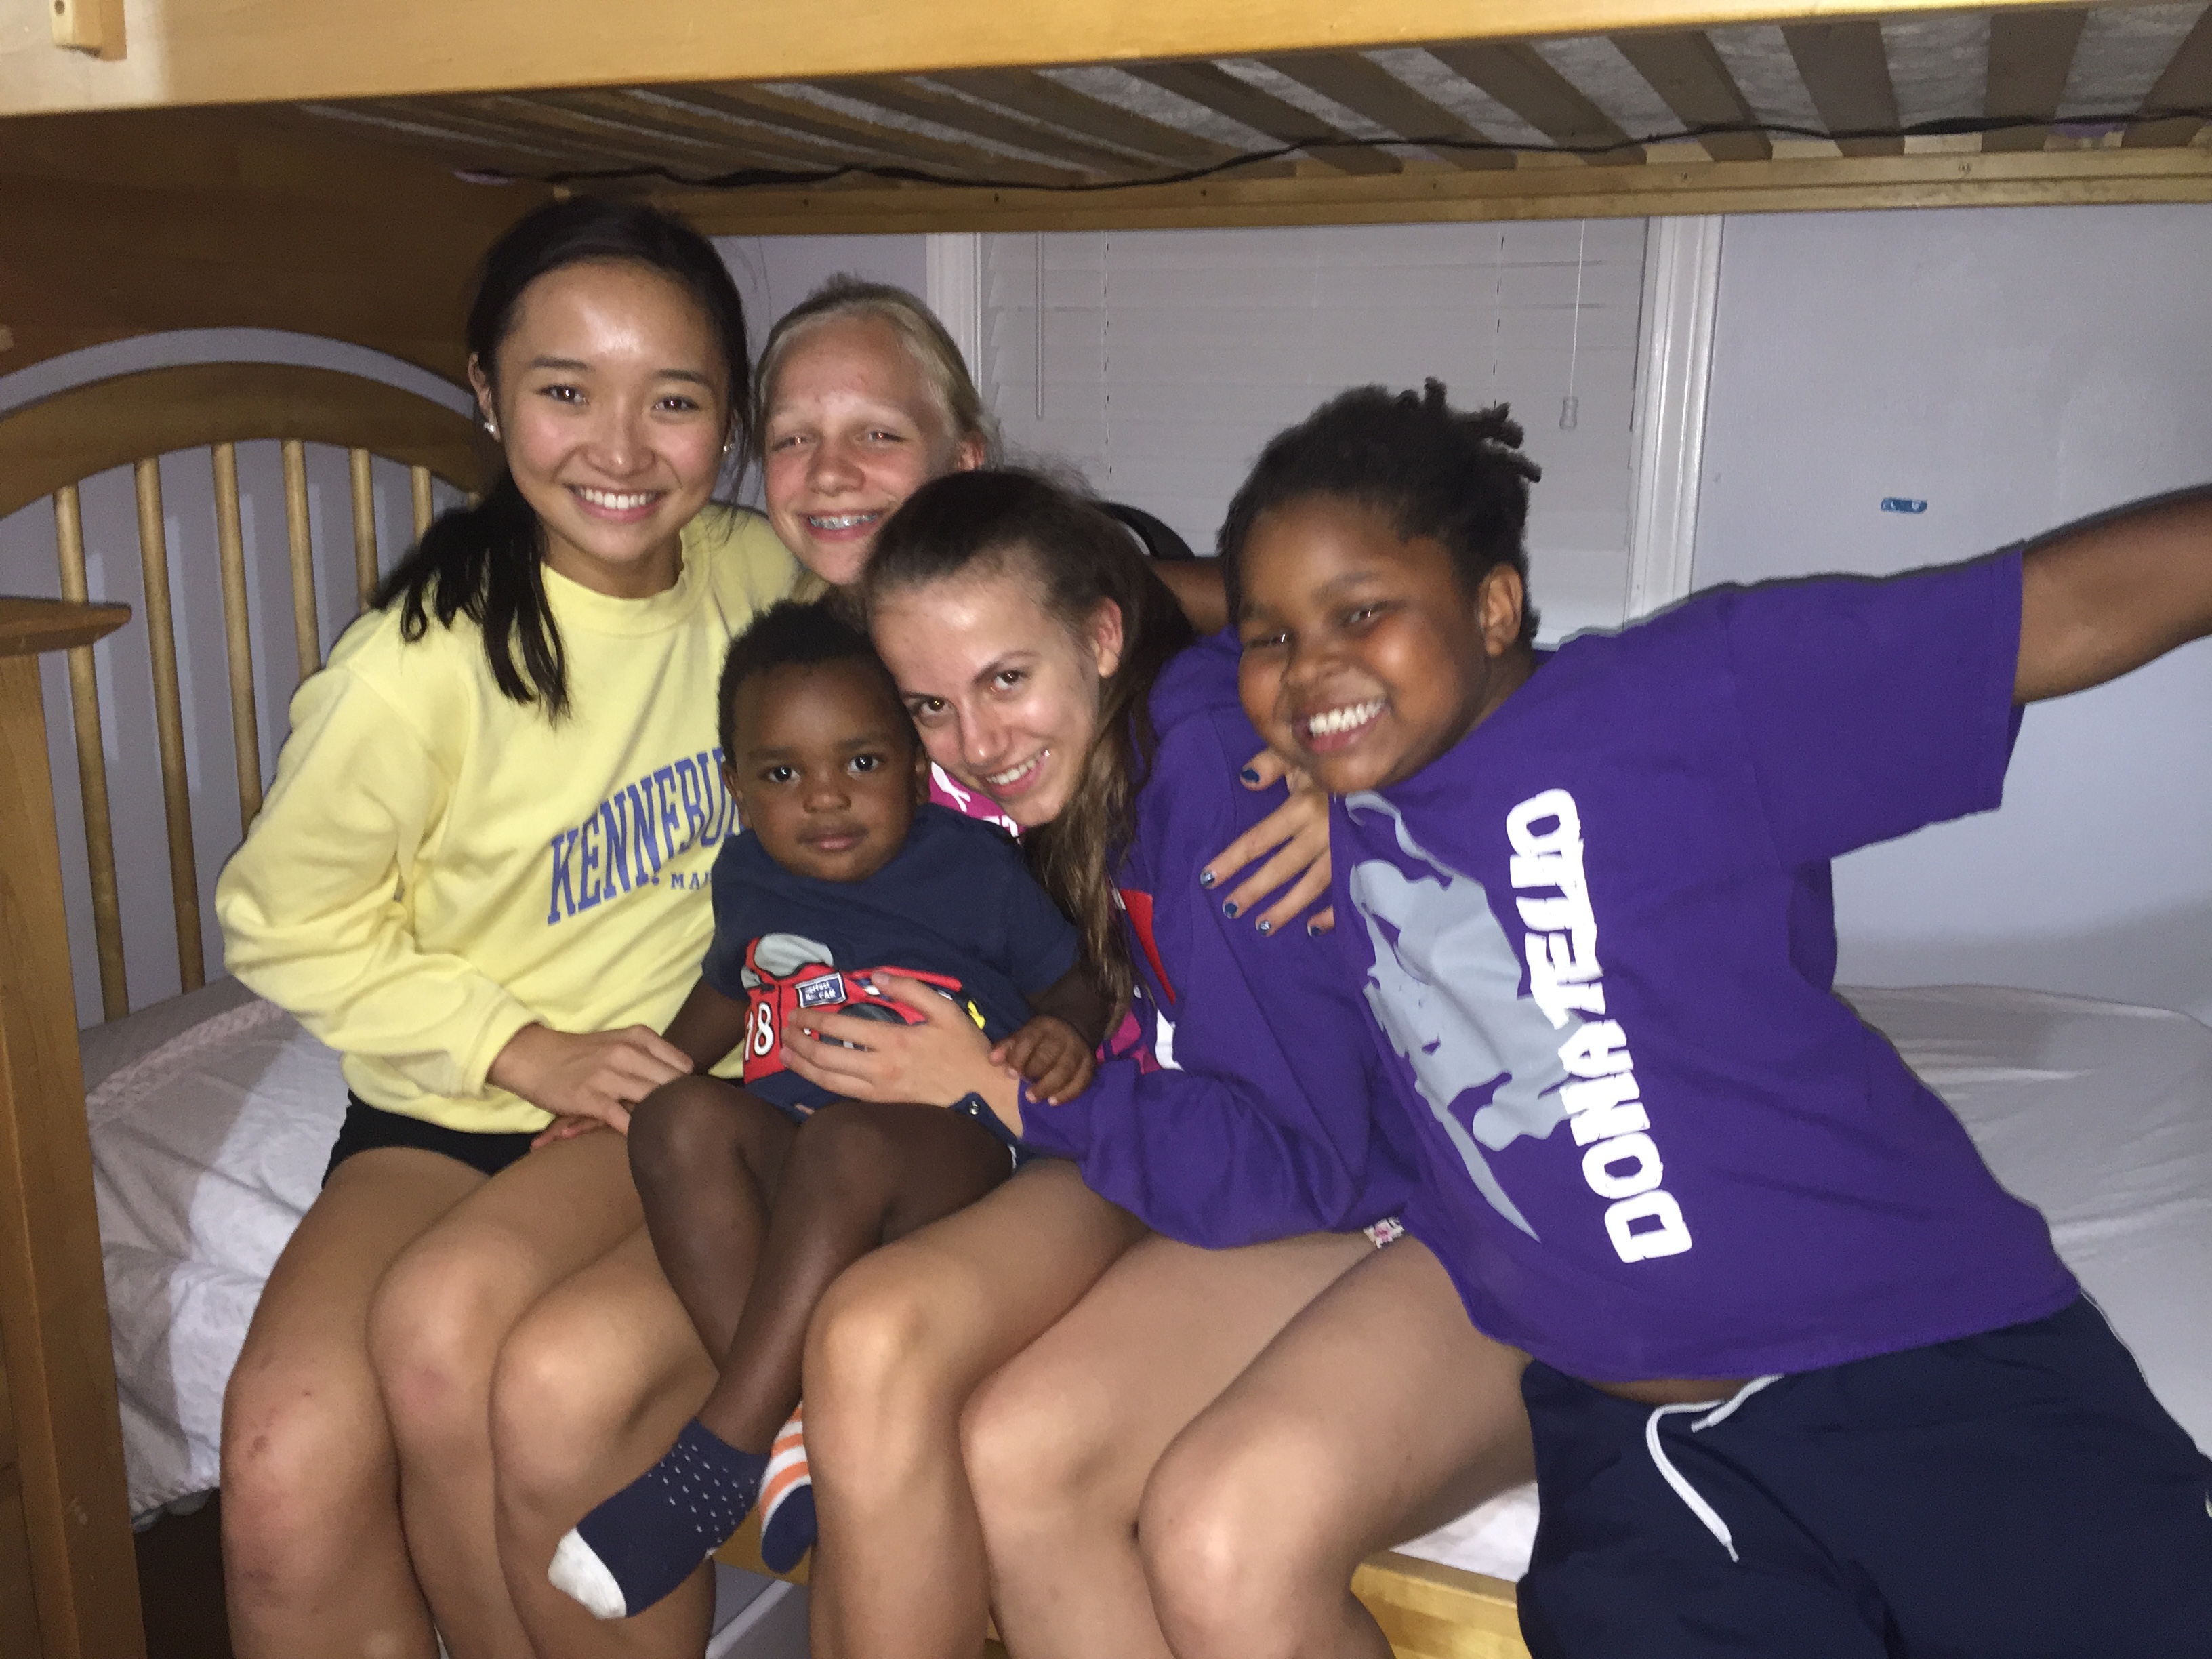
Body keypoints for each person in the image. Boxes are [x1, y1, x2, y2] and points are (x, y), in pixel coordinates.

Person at [1195, 380, 2212, 1658]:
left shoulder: (1678, 700)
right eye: (1270, 638)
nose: (1308, 669)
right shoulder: (1336, 796)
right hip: (1645, 1459)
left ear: (1494, 605)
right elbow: (1122, 604)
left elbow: (2050, 610)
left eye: (1359, 613)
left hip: (1915, 1362)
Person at [483, 277, 1343, 1658]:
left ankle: (746, 1443)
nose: (830, 473)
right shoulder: (785, 631)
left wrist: (1329, 739)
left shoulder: (1071, 626)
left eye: (876, 433)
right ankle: (774, 1446)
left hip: (1029, 1103)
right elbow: (733, 956)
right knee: (550, 1370)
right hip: (830, 1098)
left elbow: (1298, 616)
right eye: (794, 437)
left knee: (875, 1336)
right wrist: (627, 1070)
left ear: (964, 459)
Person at [756, 468, 1532, 1659]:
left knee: (1181, 1518)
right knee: (1012, 1452)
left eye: (1005, 680)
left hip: (1432, 1199)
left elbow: (1304, 1163)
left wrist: (1000, 1088)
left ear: (1103, 637)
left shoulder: (1220, 786)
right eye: (930, 707)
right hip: (1331, 1178)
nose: (976, 745)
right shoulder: (1104, 762)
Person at [214, 197, 798, 1659]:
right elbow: (281, 924)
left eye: (675, 401)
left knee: (454, 1344)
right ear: (486, 392)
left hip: (676, 1090)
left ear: (731, 420)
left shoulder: (757, 577)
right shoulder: (416, 670)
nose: (621, 449)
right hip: (451, 1106)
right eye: (565, 392)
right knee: (282, 1469)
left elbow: (1000, 598)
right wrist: (522, 1047)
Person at [544, 600, 1107, 1620]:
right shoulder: (749, 876)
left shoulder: (967, 870)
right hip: (804, 1150)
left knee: (845, 1140)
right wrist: (641, 1078)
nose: (827, 799)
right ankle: (790, 1440)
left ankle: (723, 1452)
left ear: (916, 766)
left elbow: (1077, 979)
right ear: (737, 790)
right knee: (676, 1119)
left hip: (946, 1145)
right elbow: (729, 989)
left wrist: (1063, 1031)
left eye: (863, 762)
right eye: (781, 776)